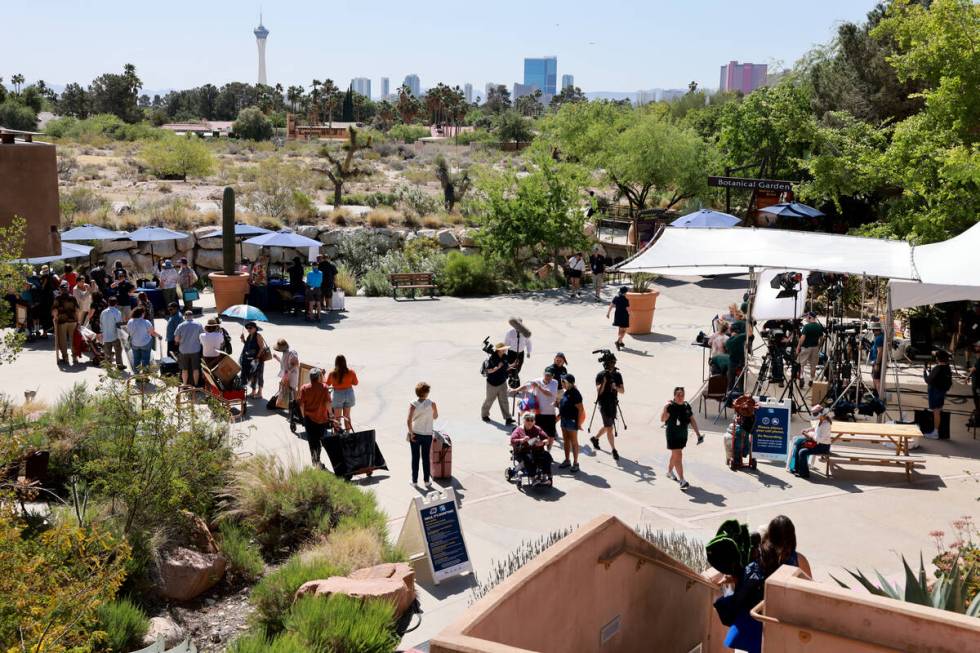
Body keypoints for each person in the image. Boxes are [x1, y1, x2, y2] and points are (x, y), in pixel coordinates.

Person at [716, 515, 811, 653]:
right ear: (792, 537)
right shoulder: (799, 560)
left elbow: (740, 574)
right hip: (779, 623)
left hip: (749, 626)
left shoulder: (756, 553)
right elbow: (809, 592)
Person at [661, 387, 702, 490]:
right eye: (678, 395)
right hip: (672, 435)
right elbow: (662, 419)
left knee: (675, 455)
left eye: (682, 395)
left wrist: (698, 434)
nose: (680, 397)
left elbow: (692, 420)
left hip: (682, 435)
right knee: (678, 456)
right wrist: (665, 408)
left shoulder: (686, 406)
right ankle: (682, 480)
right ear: (674, 396)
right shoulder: (671, 406)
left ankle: (669, 472)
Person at [516, 366, 559, 450]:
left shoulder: (555, 383)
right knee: (536, 434)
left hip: (550, 413)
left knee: (551, 435)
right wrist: (515, 389)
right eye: (546, 375)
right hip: (538, 413)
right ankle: (536, 450)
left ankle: (548, 450)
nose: (548, 377)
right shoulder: (537, 381)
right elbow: (526, 386)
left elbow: (549, 393)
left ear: (553, 376)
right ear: (543, 374)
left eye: (550, 375)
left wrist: (538, 387)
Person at [591, 354, 624, 460]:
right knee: (609, 428)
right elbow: (599, 392)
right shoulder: (600, 375)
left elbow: (622, 391)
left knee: (608, 425)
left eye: (613, 363)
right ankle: (614, 450)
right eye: (610, 363)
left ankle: (595, 438)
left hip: (613, 403)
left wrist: (615, 387)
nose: (612, 365)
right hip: (603, 404)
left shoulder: (617, 375)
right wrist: (604, 383)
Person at [299, 368, 332, 469]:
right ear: (318, 377)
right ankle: (317, 461)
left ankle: (315, 461)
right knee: (318, 441)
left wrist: (304, 416)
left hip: (309, 419)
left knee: (312, 441)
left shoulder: (304, 388)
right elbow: (328, 403)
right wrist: (331, 414)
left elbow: (301, 405)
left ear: (310, 377)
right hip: (321, 419)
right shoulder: (324, 388)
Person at [407, 382, 439, 488]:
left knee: (415, 458)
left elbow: (408, 420)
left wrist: (411, 433)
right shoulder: (432, 404)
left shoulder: (413, 404)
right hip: (427, 434)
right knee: (426, 458)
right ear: (426, 393)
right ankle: (426, 481)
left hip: (415, 433)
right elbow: (435, 417)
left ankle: (414, 481)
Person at [789, 405, 833, 478]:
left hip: (823, 447)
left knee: (802, 452)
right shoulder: (821, 421)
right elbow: (815, 428)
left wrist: (807, 434)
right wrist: (808, 429)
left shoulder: (826, 425)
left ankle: (804, 473)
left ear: (821, 414)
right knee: (798, 443)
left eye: (815, 414)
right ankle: (797, 468)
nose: (814, 415)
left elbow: (818, 439)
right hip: (817, 444)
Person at [510, 412, 553, 485]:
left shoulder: (537, 429)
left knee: (547, 457)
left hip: (536, 450)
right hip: (523, 451)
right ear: (524, 420)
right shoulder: (519, 430)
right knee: (530, 459)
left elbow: (546, 439)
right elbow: (512, 440)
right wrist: (521, 440)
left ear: (534, 421)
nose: (529, 422)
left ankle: (547, 477)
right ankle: (533, 478)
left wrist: (543, 443)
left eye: (531, 420)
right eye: (527, 420)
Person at [481, 342, 514, 425]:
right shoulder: (491, 359)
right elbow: (488, 370)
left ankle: (508, 418)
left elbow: (506, 367)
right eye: (504, 349)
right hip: (492, 383)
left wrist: (512, 365)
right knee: (489, 400)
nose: (506, 350)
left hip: (502, 382)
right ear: (499, 350)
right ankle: (484, 415)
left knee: (504, 400)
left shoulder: (505, 357)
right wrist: (497, 368)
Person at [923, 350, 953, 439]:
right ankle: (936, 431)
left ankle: (935, 432)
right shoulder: (947, 368)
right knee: (938, 411)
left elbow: (928, 380)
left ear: (938, 359)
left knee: (936, 412)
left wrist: (924, 372)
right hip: (941, 392)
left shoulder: (938, 368)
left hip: (935, 392)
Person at [558, 374, 585, 472]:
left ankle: (576, 463)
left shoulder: (575, 393)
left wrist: (578, 423)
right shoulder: (566, 392)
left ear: (569, 383)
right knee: (566, 441)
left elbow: (580, 409)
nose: (562, 383)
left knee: (573, 442)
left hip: (571, 421)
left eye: (563, 382)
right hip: (564, 420)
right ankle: (567, 460)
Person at [327, 354, 359, 431]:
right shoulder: (351, 372)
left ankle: (337, 435)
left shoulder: (332, 374)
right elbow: (356, 383)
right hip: (349, 394)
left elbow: (327, 384)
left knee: (337, 417)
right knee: (347, 416)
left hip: (338, 395)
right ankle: (348, 434)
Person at [51, 282, 80, 366]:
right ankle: (74, 357)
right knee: (73, 339)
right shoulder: (73, 298)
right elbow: (77, 310)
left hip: (62, 321)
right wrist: (78, 321)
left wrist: (55, 318)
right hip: (73, 321)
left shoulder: (58, 298)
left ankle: (65, 358)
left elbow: (55, 311)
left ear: (60, 290)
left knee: (62, 340)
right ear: (67, 289)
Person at [126, 307, 161, 374]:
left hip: (135, 343)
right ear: (142, 314)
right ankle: (145, 375)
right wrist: (159, 336)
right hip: (145, 343)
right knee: (145, 360)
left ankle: (137, 375)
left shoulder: (130, 322)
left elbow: (129, 332)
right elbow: (152, 333)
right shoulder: (146, 322)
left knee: (136, 359)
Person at [174, 311, 204, 386]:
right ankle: (196, 385)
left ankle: (184, 384)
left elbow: (176, 339)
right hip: (195, 350)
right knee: (196, 369)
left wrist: (180, 340)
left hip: (183, 350)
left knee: (184, 369)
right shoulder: (198, 325)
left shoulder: (180, 325)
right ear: (192, 316)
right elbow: (202, 337)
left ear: (185, 316)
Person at [239, 321, 269, 398]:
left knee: (259, 375)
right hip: (251, 359)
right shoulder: (250, 336)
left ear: (255, 328)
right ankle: (253, 391)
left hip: (258, 359)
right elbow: (248, 346)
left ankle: (260, 393)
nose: (248, 329)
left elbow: (262, 347)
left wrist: (257, 358)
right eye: (247, 328)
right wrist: (243, 340)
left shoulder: (258, 336)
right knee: (253, 375)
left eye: (250, 328)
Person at [795, 312, 825, 386]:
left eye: (807, 317)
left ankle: (801, 377)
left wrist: (798, 346)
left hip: (806, 348)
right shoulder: (819, 327)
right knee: (813, 365)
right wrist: (819, 346)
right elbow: (822, 338)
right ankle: (811, 379)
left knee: (801, 363)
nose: (806, 319)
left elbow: (802, 338)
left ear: (810, 317)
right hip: (815, 348)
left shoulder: (807, 327)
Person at [273, 338, 300, 412]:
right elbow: (284, 364)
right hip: (286, 374)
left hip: (292, 375)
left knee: (293, 389)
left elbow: (296, 364)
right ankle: (285, 404)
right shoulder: (285, 352)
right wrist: (277, 358)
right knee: (285, 388)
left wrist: (288, 371)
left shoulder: (292, 353)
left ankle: (295, 405)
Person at [99, 297, 125, 370]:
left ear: (108, 302)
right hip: (115, 335)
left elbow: (100, 323)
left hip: (106, 335)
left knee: (107, 352)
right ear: (116, 303)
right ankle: (119, 364)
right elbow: (119, 324)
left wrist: (102, 332)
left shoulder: (103, 312)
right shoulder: (117, 312)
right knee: (118, 351)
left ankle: (108, 366)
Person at [607, 286, 630, 350]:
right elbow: (628, 309)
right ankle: (618, 341)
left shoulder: (616, 298)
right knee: (624, 330)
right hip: (624, 316)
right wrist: (630, 314)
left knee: (620, 329)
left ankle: (620, 342)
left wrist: (608, 313)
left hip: (617, 315)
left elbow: (611, 306)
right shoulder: (626, 300)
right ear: (625, 293)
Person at [869, 323, 885, 394]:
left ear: (875, 330)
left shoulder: (879, 338)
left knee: (876, 379)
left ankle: (879, 398)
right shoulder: (881, 336)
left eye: (873, 330)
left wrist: (877, 364)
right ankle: (876, 395)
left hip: (877, 361)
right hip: (876, 361)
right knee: (874, 377)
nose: (873, 332)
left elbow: (880, 352)